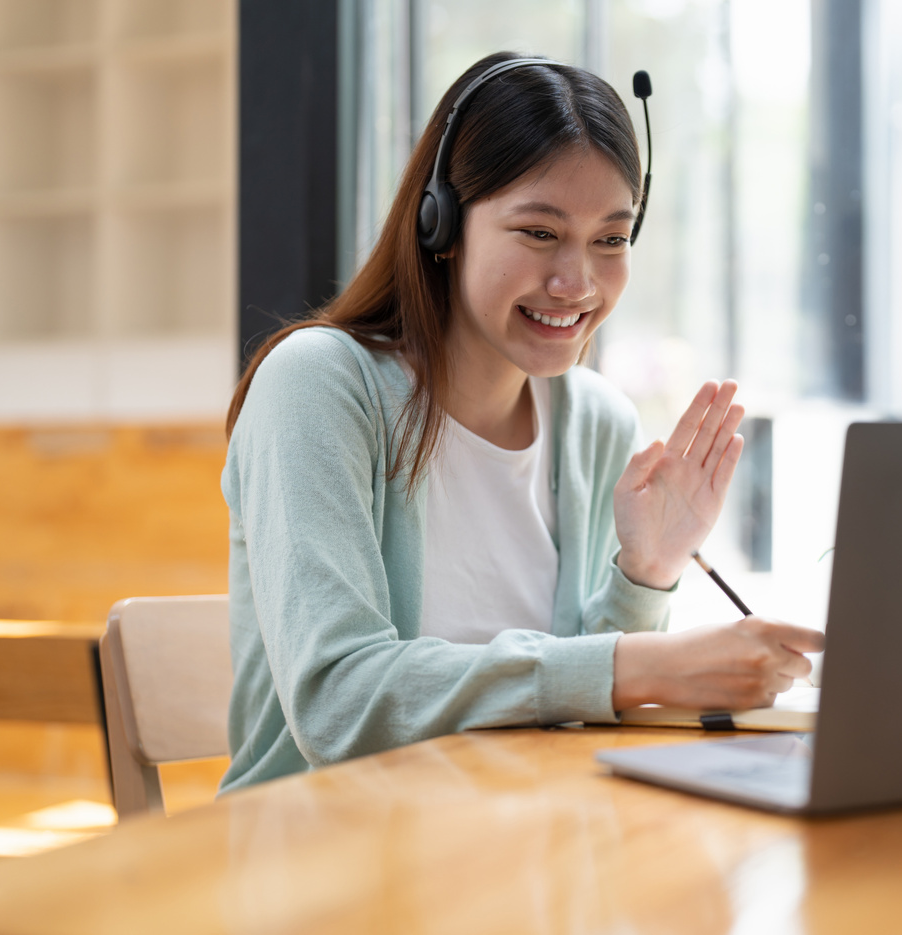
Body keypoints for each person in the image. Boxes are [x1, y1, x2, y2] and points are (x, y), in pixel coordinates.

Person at [218, 52, 824, 792]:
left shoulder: (593, 420)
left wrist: (647, 570)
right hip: (326, 866)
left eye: (611, 238)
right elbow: (339, 704)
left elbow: (566, 711)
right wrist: (641, 666)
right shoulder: (318, 384)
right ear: (441, 223)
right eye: (540, 233)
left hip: (516, 843)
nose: (578, 283)